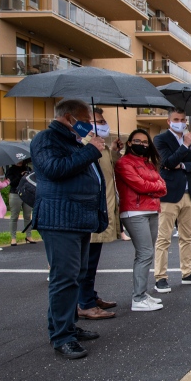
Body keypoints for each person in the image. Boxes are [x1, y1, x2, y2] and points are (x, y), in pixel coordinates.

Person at [31, 99, 107, 359]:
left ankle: (67, 326)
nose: (89, 125)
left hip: (77, 218)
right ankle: (62, 336)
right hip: (59, 219)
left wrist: (90, 149)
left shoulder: (75, 142)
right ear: (68, 118)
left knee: (76, 275)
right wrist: (90, 150)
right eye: (85, 119)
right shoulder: (46, 139)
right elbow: (55, 169)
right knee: (64, 278)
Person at [152, 107, 191, 293]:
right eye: (176, 119)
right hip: (169, 195)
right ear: (169, 121)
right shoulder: (161, 140)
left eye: (183, 119)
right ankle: (160, 277)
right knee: (164, 238)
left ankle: (187, 272)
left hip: (188, 194)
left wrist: (183, 164)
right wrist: (184, 146)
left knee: (187, 237)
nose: (181, 122)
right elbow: (166, 162)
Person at [116, 129, 168, 311]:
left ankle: (142, 293)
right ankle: (137, 298)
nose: (142, 145)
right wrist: (153, 188)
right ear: (129, 143)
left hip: (152, 210)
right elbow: (138, 185)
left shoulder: (149, 163)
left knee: (146, 253)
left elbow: (162, 185)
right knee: (145, 253)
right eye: (138, 141)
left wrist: (150, 188)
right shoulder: (123, 163)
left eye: (146, 142)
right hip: (134, 212)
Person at [77, 108, 120, 320]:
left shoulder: (99, 146)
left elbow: (106, 172)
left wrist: (113, 151)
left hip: (102, 211)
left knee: (92, 262)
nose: (103, 124)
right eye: (98, 121)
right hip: (91, 212)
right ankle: (84, 303)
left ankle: (90, 297)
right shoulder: (83, 145)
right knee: (87, 263)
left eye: (104, 120)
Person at [5, 159, 36, 245]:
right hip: (15, 194)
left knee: (27, 216)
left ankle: (29, 236)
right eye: (18, 160)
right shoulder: (10, 170)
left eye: (22, 160)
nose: (20, 162)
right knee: (14, 216)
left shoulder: (28, 169)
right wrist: (20, 176)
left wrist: (27, 175)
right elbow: (12, 183)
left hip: (27, 194)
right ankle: (13, 238)